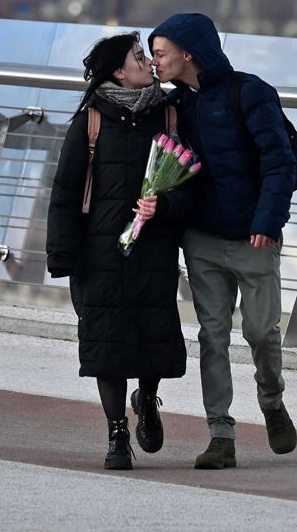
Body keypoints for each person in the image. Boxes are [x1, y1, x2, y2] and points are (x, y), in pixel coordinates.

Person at [148, 12, 297, 471]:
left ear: (188, 53)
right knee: (212, 336)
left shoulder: (249, 91)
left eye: (161, 53)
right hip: (202, 240)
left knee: (260, 333)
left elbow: (280, 161)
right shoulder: (174, 105)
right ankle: (221, 435)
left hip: (254, 237)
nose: (155, 62)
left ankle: (272, 400)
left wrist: (267, 221)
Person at [46, 32, 192, 471]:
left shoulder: (170, 113)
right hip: (101, 250)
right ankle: (116, 433)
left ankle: (146, 396)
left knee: (154, 335)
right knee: (105, 341)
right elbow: (66, 189)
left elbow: (192, 179)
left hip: (153, 247)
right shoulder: (91, 118)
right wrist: (62, 255)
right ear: (117, 70)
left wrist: (164, 206)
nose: (147, 61)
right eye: (137, 55)